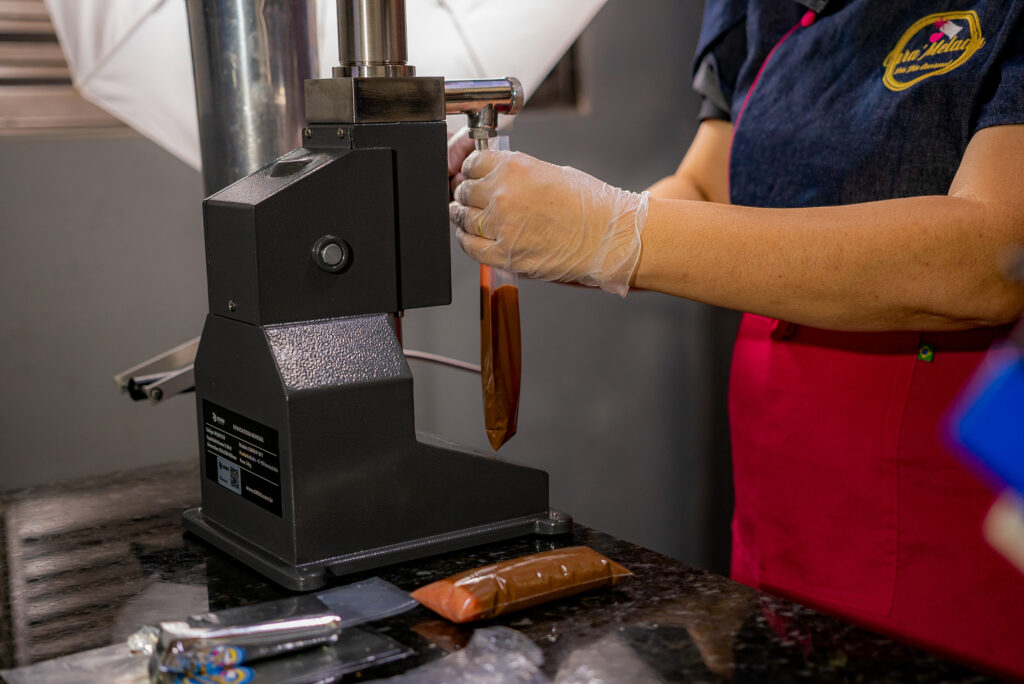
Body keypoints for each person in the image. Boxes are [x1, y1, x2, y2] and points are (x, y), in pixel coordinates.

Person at [448, 0, 1024, 678]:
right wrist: (566, 227)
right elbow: (703, 184)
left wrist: (617, 233)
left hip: (948, 508)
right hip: (778, 500)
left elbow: (993, 254)